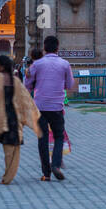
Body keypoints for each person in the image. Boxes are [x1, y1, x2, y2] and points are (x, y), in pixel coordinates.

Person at [0, 55, 39, 185]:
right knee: (12, 151)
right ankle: (7, 177)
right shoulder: (15, 81)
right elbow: (26, 100)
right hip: (12, 119)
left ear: (2, 66)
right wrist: (32, 116)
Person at [25, 35, 75, 183]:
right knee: (59, 136)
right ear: (57, 48)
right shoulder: (64, 64)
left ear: (44, 48)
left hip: (39, 106)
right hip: (56, 107)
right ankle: (56, 165)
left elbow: (27, 84)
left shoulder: (37, 64)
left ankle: (46, 174)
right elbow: (70, 84)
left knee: (42, 138)